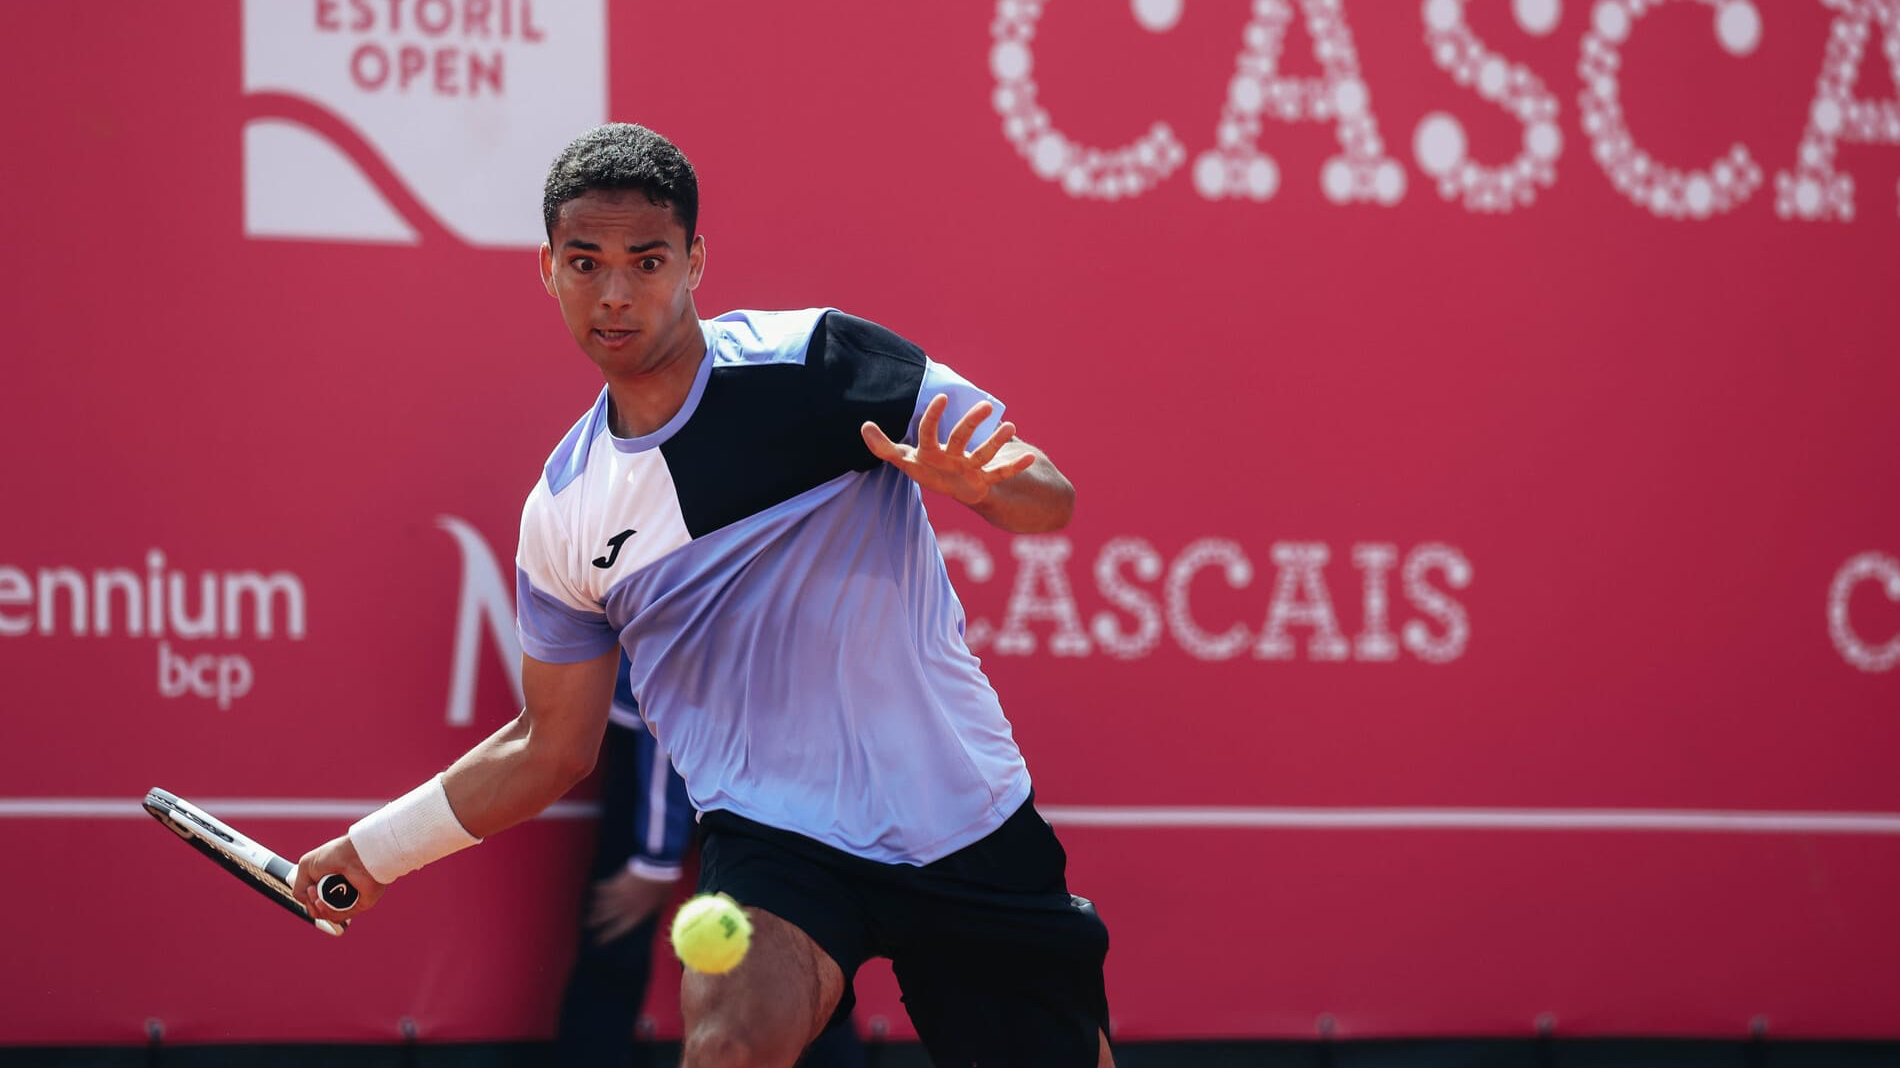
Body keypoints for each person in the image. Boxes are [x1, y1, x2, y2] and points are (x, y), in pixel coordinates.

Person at [294, 122, 1113, 1068]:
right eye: (585, 263)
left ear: (694, 263)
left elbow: (1048, 495)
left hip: (963, 816)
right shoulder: (563, 512)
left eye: (647, 262)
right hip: (776, 841)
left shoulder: (818, 361)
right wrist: (374, 850)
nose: (615, 294)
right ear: (548, 270)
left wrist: (987, 491)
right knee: (728, 1046)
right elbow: (548, 747)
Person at [555, 658, 867, 1067]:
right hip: (692, 746)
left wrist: (654, 858)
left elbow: (672, 691)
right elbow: (668, 696)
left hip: (738, 755)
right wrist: (655, 857)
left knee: (791, 944)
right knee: (618, 937)